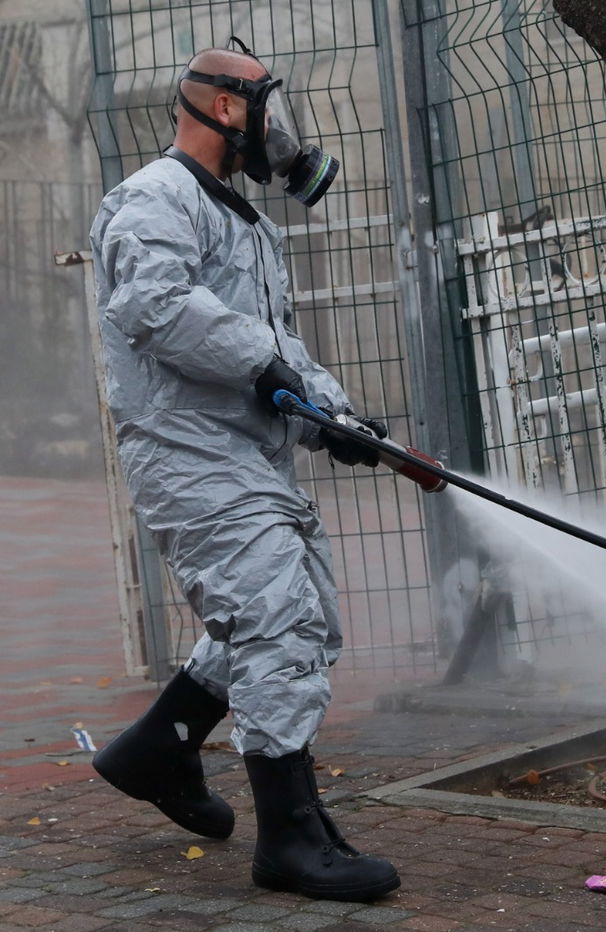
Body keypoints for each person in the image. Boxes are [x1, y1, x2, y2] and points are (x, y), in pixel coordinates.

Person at [88, 43, 399, 903]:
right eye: (270, 104)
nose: (282, 127)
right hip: (188, 454)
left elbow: (278, 348)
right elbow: (155, 308)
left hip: (244, 453)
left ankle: (156, 749)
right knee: (275, 620)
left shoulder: (252, 225)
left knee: (286, 611)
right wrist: (269, 368)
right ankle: (292, 839)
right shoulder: (154, 199)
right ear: (227, 109)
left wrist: (335, 415)